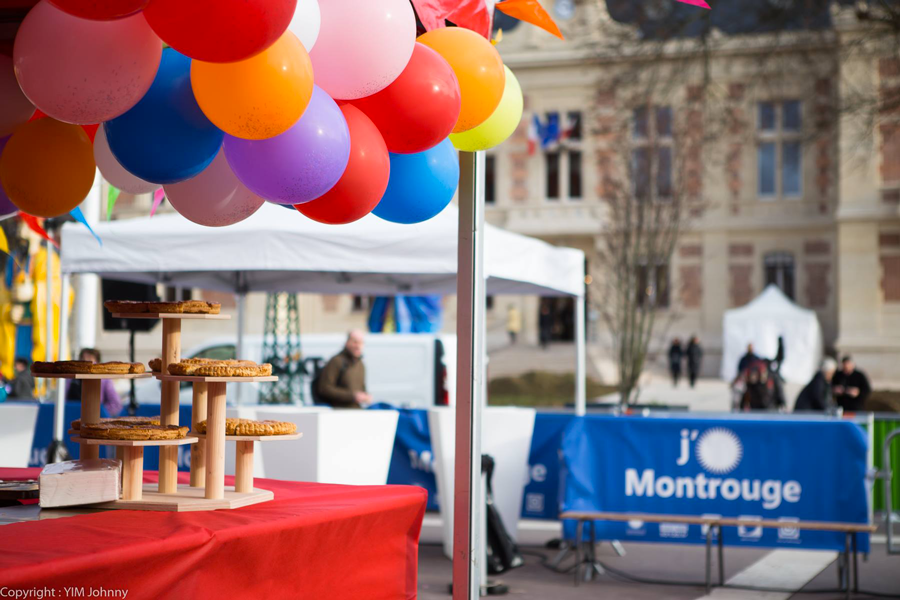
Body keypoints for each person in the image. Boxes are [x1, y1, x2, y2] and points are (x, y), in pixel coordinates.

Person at [314, 330, 372, 408]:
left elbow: (362, 389)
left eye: (361, 342)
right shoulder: (336, 361)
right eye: (355, 342)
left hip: (356, 410)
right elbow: (324, 389)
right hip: (338, 411)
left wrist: (365, 396)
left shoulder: (360, 364)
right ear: (347, 343)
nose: (358, 346)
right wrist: (352, 396)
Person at [66, 349, 122, 416]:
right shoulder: (71, 379)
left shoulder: (105, 380)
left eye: (89, 359)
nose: (86, 362)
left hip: (95, 419)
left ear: (98, 363)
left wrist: (100, 412)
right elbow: (64, 400)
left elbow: (116, 404)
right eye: (83, 359)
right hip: (71, 417)